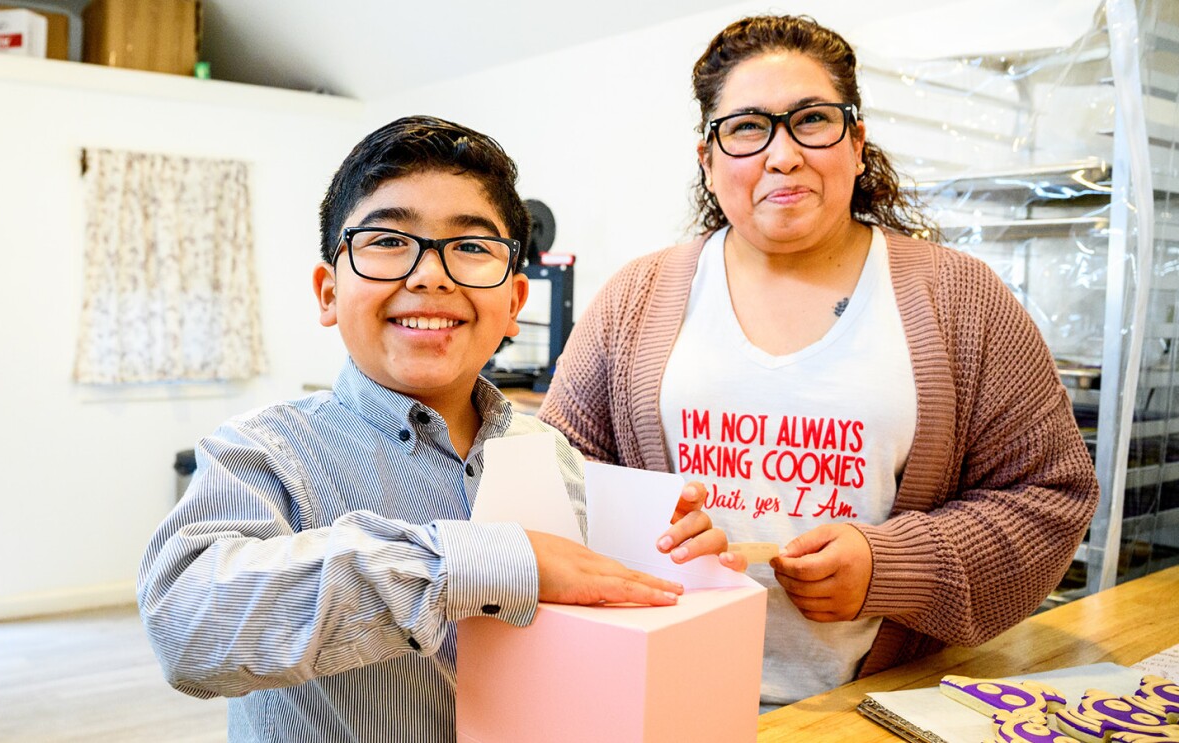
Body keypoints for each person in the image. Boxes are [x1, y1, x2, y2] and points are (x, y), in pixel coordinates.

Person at [538, 15, 1099, 710]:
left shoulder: (961, 299)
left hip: (874, 705)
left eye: (812, 120)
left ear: (857, 143)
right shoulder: (637, 297)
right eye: (746, 128)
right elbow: (552, 481)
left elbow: (1049, 496)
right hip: (660, 696)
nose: (782, 154)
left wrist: (890, 567)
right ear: (708, 161)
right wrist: (651, 530)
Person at [136, 115, 683, 743]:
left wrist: (667, 561)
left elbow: (588, 619)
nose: (430, 275)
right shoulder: (263, 452)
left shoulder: (548, 451)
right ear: (327, 292)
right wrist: (472, 563)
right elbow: (186, 630)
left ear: (514, 304)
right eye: (389, 241)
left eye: (473, 247)